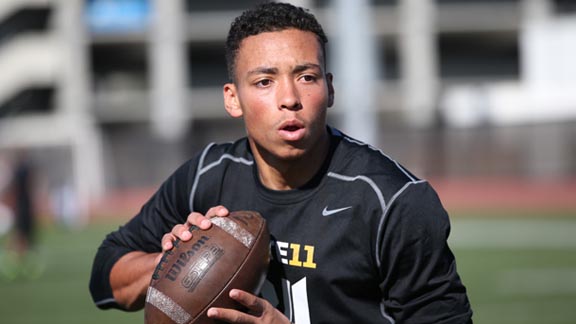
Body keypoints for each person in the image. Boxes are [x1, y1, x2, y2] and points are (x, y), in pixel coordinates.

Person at [89, 2, 473, 323]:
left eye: (307, 77)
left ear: (330, 88)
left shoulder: (393, 201)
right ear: (232, 98)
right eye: (264, 82)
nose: (289, 98)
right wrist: (178, 261)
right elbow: (107, 276)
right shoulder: (207, 175)